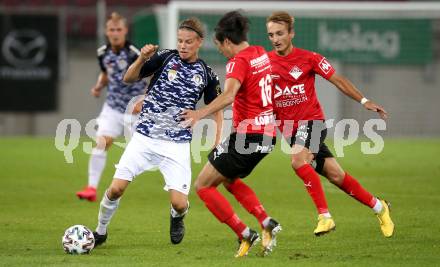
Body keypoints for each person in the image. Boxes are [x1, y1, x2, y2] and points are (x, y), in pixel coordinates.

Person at [92, 17, 223, 246]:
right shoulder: (165, 57)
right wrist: (142, 57)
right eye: (180, 40)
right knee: (115, 190)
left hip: (177, 144)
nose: (182, 45)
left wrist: (216, 140)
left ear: (199, 42)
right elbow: (129, 78)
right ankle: (100, 230)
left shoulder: (207, 74)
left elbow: (218, 109)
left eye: (188, 42)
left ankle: (177, 217)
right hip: (144, 138)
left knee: (180, 203)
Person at [265, 11, 394, 237]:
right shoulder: (265, 64)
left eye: (280, 33)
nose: (275, 39)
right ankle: (379, 207)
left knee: (298, 160)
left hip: (313, 123)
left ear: (291, 33)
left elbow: (338, 80)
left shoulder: (310, 58)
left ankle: (325, 217)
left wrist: (364, 100)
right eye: (271, 35)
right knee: (336, 176)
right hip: (291, 132)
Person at [181, 11, 281, 257]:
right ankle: (265, 221)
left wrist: (199, 113)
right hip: (268, 135)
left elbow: (228, 96)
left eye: (219, 46)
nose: (222, 52)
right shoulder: (259, 53)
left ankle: (245, 234)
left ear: (227, 41)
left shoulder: (238, 62)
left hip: (249, 136)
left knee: (203, 186)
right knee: (227, 179)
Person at [76, 12, 146, 202]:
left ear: (125, 31)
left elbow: (153, 76)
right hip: (113, 107)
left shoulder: (135, 52)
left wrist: (144, 99)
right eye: (111, 30)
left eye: (118, 29)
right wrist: (99, 86)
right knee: (102, 142)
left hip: (134, 110)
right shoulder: (102, 53)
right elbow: (107, 73)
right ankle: (91, 188)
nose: (115, 33)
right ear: (106, 32)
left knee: (142, 152)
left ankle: (173, 182)